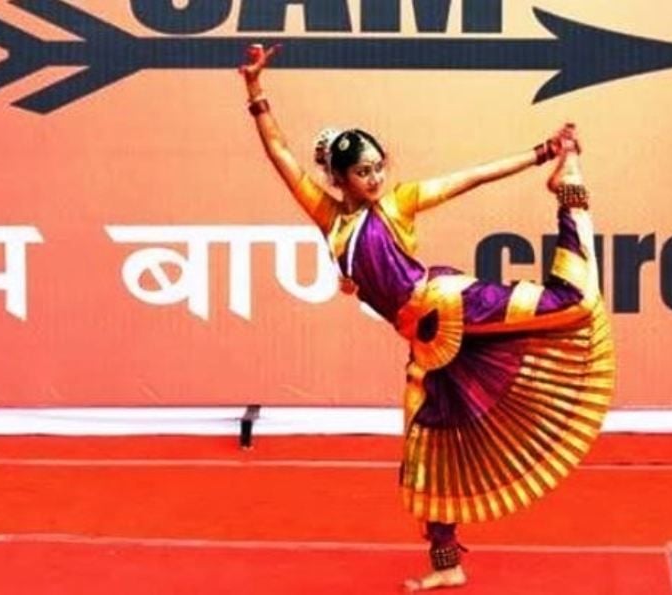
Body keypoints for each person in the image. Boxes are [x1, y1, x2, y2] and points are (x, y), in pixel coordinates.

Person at [239, 44, 614, 592]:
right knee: (426, 448)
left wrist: (542, 155)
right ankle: (447, 563)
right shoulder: (329, 221)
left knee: (574, 304)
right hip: (425, 345)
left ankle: (571, 194)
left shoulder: (399, 204)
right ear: (339, 178)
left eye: (378, 167)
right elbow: (279, 153)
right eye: (363, 171)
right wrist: (255, 89)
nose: (375, 177)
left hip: (450, 303)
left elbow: (473, 177)